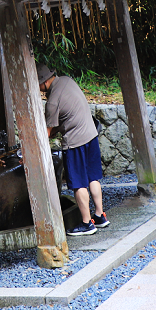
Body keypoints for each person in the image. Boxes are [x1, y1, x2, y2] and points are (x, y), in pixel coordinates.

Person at [36, 62, 108, 236]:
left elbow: (46, 133)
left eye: (37, 85)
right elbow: (68, 113)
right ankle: (100, 216)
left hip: (76, 141)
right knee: (93, 177)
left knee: (77, 183)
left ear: (44, 82)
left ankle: (86, 224)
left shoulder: (52, 102)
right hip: (91, 134)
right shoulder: (67, 81)